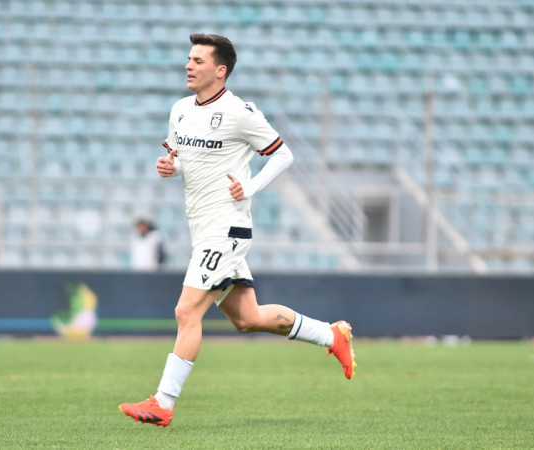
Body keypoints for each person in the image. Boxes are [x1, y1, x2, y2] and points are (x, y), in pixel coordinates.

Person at [119, 34, 356, 428]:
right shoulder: (180, 110)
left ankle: (163, 403)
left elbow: (283, 154)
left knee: (186, 311)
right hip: (202, 227)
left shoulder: (239, 112)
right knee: (248, 318)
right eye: (188, 59)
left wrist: (251, 187)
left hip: (226, 228)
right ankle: (332, 336)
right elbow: (183, 159)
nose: (188, 65)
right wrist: (171, 167)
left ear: (220, 70)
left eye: (198, 60)